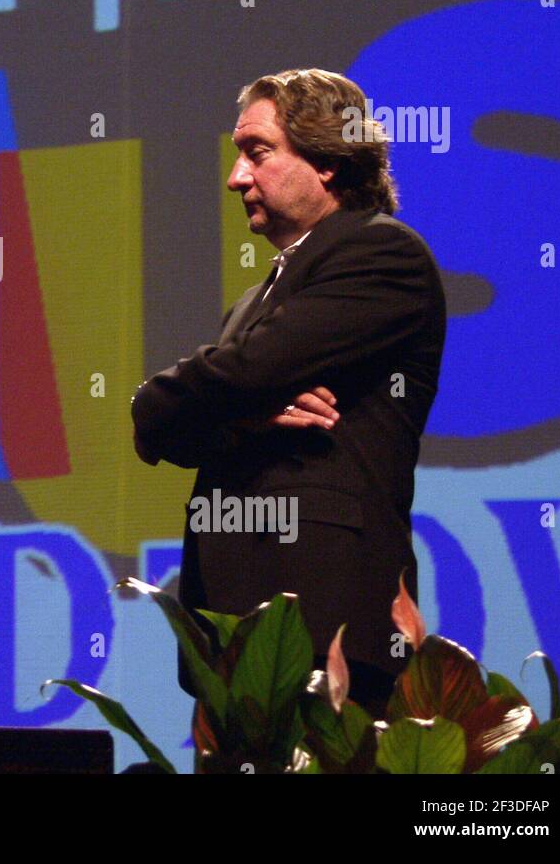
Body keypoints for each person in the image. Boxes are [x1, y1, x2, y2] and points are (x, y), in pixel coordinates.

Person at [131, 68, 446, 717]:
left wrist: (197, 398)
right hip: (235, 638)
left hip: (324, 628)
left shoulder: (382, 254)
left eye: (257, 152)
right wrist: (242, 418)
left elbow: (245, 373)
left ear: (328, 161)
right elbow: (170, 427)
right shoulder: (253, 301)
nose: (235, 177)